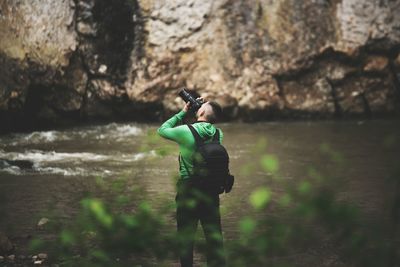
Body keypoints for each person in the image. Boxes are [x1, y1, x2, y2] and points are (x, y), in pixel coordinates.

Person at [157, 98, 226, 267]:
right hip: (211, 192)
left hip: (188, 192)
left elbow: (162, 130)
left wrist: (183, 112)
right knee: (213, 238)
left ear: (200, 112)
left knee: (186, 239)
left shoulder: (185, 132)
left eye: (200, 106)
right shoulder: (218, 134)